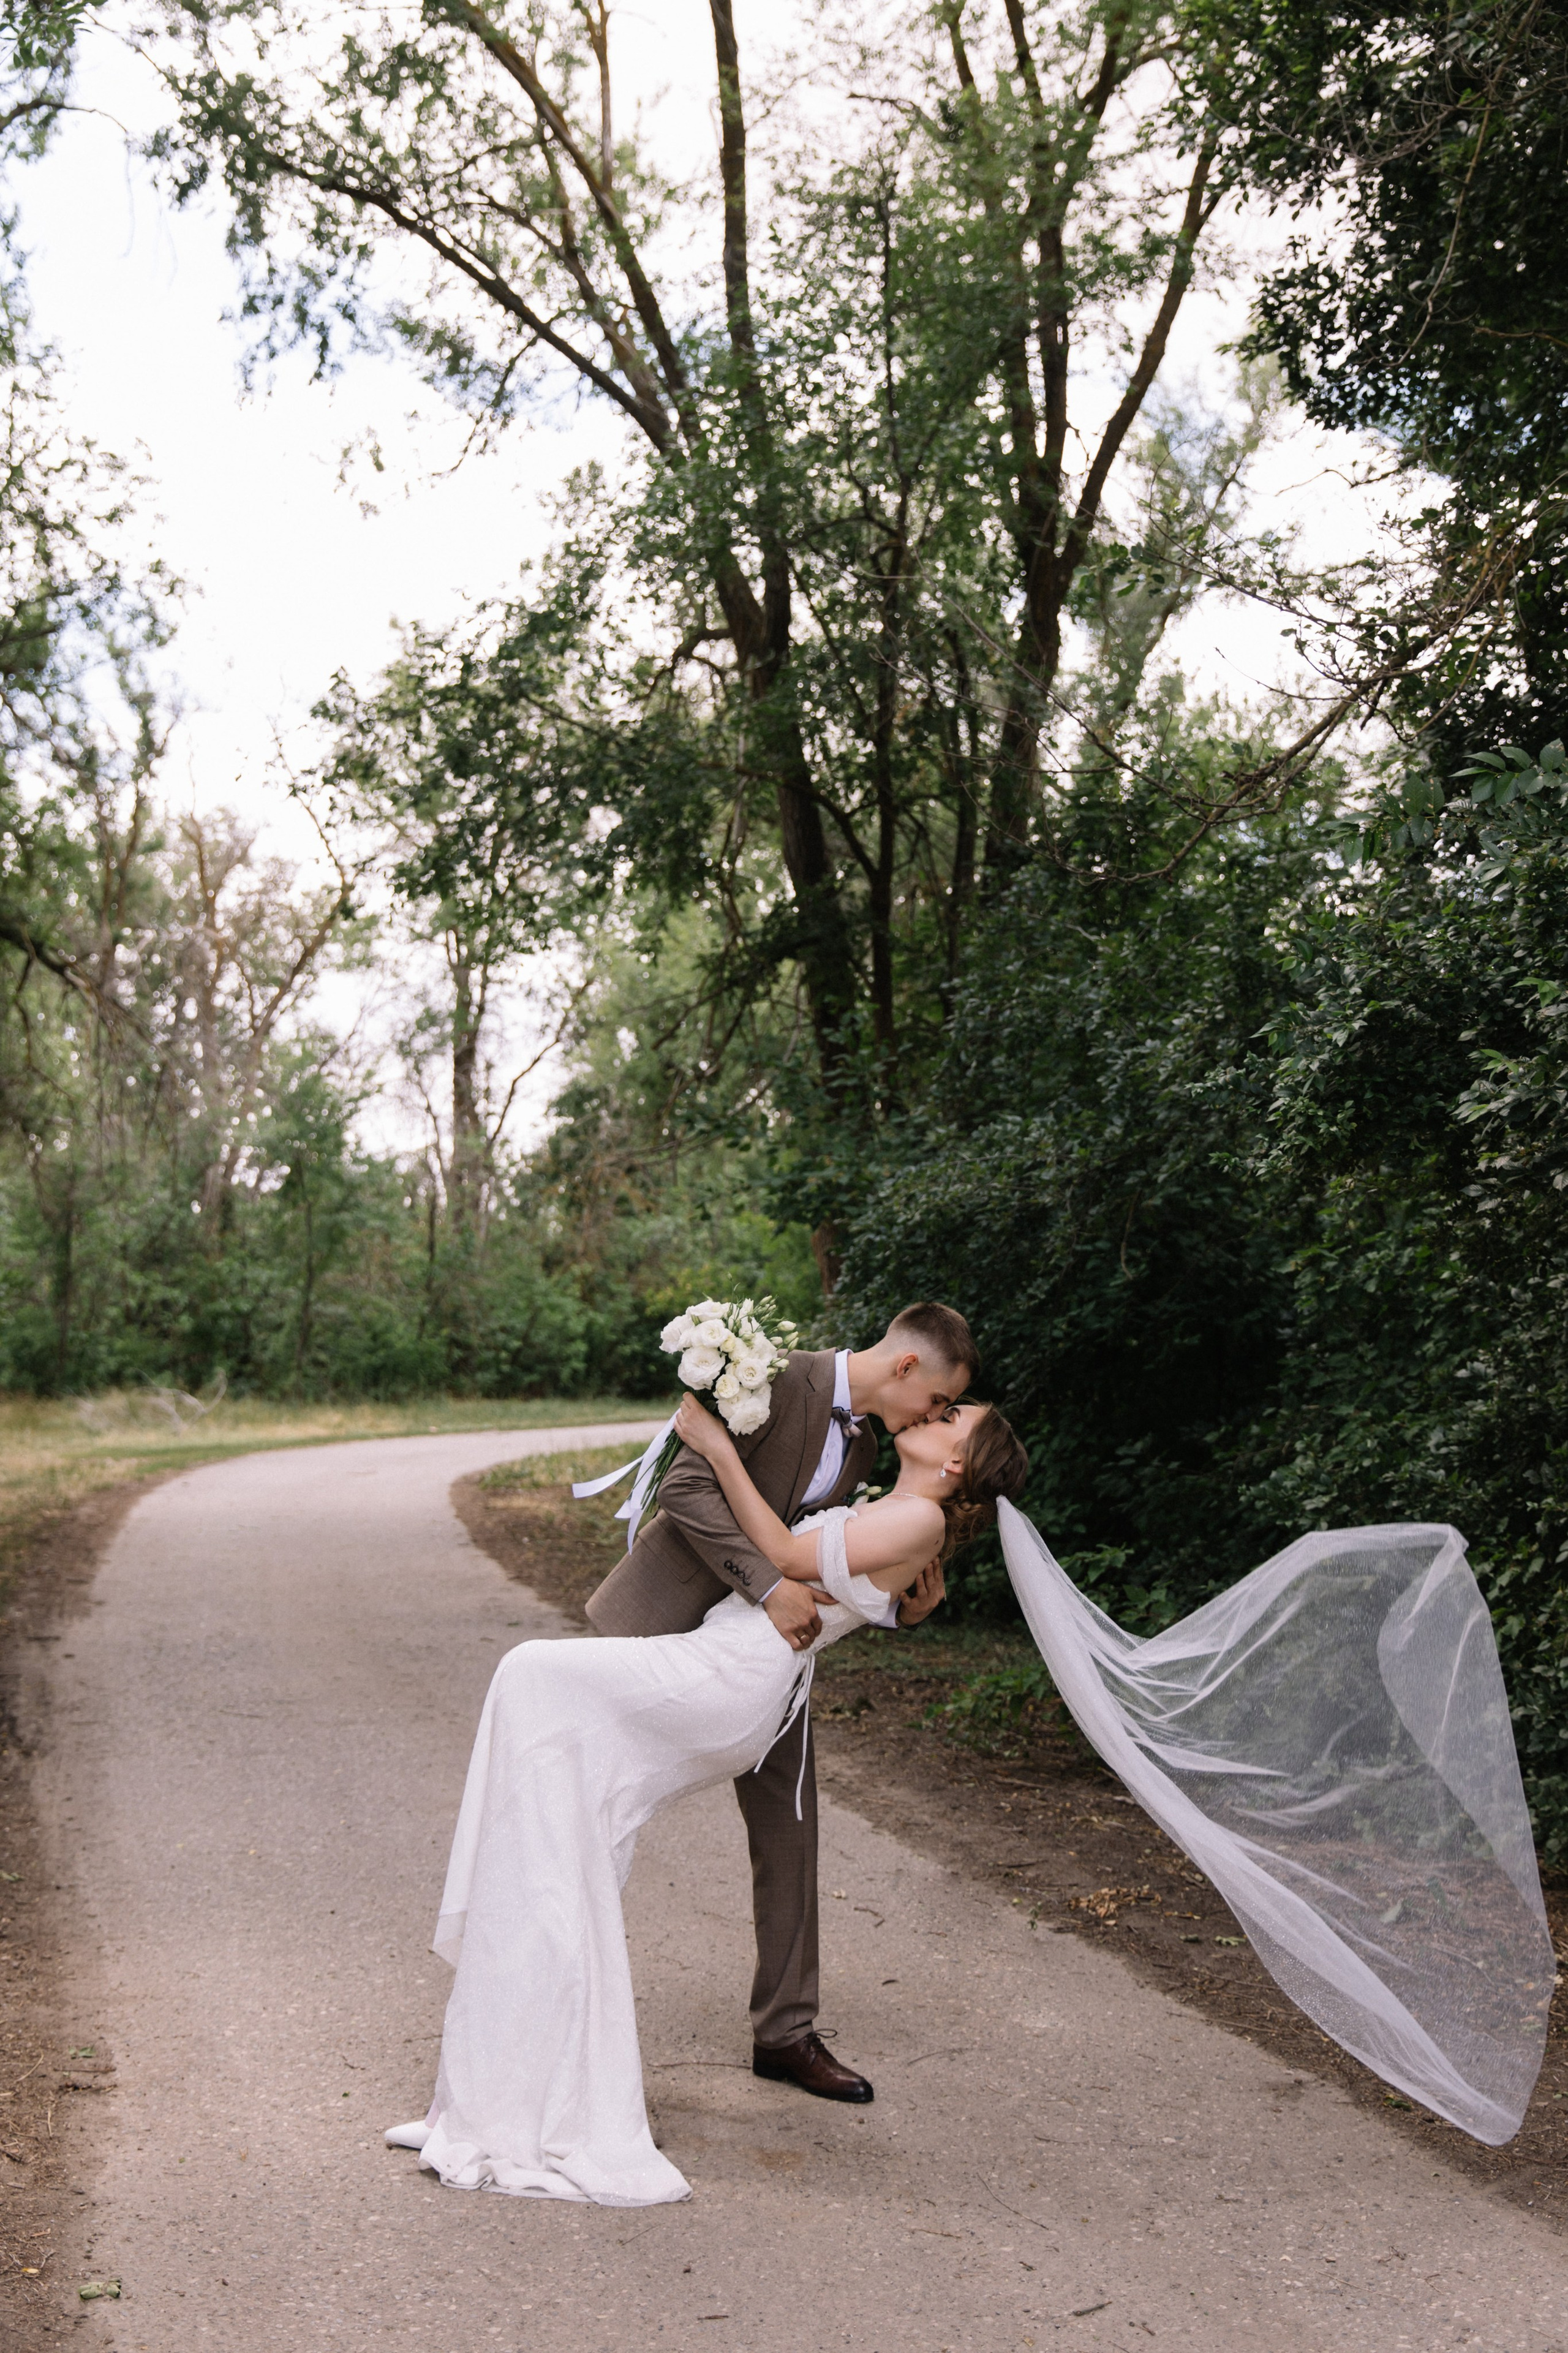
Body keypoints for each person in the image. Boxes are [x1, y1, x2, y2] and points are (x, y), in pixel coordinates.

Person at [385, 1391, 1028, 2206]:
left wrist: (717, 1448)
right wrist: (898, 1610)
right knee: (564, 1818)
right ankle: (488, 2098)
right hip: (722, 1656)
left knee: (529, 1675)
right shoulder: (899, 1507)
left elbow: (792, 1559)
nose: (935, 1412)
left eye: (951, 1418)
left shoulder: (921, 1522)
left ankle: (537, 2100)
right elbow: (856, 1585)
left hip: (731, 1679)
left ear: (957, 1463)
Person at [584, 1302, 979, 2104]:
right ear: (907, 1368)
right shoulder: (770, 1373)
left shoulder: (872, 1441)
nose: (936, 1417)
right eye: (938, 1401)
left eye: (946, 1415)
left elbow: (840, 1554)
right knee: (597, 1812)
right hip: (665, 1624)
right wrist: (767, 1589)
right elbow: (689, 1488)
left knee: (791, 1830)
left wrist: (901, 1607)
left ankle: (786, 2033)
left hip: (768, 1662)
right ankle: (570, 2006)